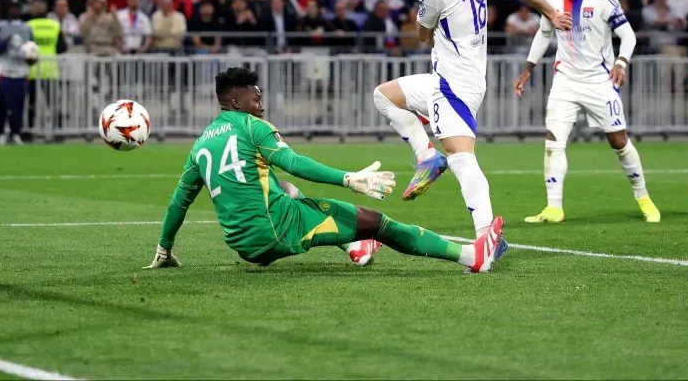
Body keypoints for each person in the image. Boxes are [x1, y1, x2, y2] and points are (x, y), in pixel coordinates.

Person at [144, 67, 504, 273]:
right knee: (380, 224)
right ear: (236, 101)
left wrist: (164, 250)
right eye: (256, 99)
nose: (262, 105)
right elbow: (295, 162)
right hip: (277, 231)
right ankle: (472, 257)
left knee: (283, 189)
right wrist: (349, 178)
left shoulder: (202, 142)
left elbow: (179, 201)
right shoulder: (253, 128)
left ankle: (355, 247)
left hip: (243, 245)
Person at [370, 0, 571, 247]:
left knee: (462, 159)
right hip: (447, 80)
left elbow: (421, 36)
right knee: (384, 95)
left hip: (456, 85)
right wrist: (552, 12)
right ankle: (426, 156)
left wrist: (426, 20)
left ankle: (487, 239)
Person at [513, 0, 660, 223]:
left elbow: (627, 36)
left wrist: (621, 63)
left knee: (619, 141)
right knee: (553, 141)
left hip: (599, 81)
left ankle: (644, 198)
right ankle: (554, 207)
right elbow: (544, 34)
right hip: (565, 81)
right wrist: (528, 68)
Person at [0, 0, 35, 145]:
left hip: (21, 71)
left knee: (19, 103)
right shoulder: (0, 26)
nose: (15, 10)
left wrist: (30, 58)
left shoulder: (27, 28)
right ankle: (1, 132)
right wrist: (5, 41)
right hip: (5, 69)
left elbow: (32, 50)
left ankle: (16, 132)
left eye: (17, 7)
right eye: (12, 7)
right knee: (4, 103)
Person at [26, 0, 68, 141]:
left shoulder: (28, 26)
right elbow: (62, 48)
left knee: (31, 104)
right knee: (54, 104)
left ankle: (28, 133)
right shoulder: (55, 25)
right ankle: (59, 133)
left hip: (32, 70)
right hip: (50, 70)